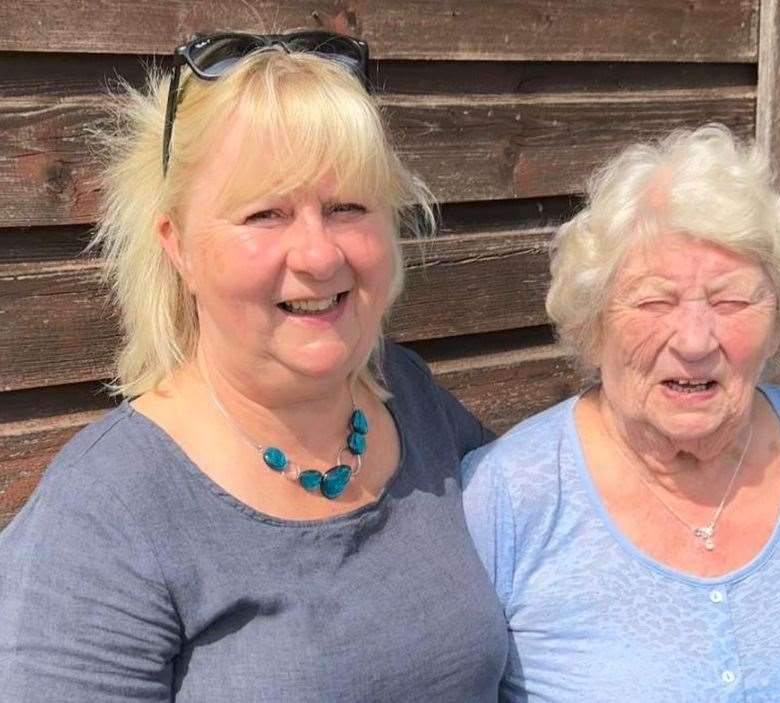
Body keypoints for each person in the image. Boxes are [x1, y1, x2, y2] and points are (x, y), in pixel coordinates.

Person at [0, 31, 507, 701]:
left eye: (347, 207)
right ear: (177, 245)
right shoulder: (104, 513)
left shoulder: (414, 402)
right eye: (265, 213)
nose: (319, 255)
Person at [462, 125, 780, 702]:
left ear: (778, 321)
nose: (696, 341)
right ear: (594, 323)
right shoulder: (508, 494)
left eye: (731, 300)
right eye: (655, 301)